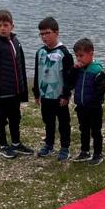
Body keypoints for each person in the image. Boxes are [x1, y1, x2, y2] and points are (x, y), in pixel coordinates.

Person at [0, 9, 32, 158]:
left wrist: (23, 90)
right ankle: (3, 146)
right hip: (1, 91)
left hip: (15, 90)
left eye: (5, 25)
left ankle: (16, 143)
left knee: (15, 117)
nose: (3, 28)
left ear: (12, 25)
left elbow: (21, 66)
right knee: (0, 118)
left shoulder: (16, 42)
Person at [33, 16, 75, 161]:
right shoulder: (40, 52)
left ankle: (65, 147)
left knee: (63, 123)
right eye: (42, 34)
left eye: (47, 33)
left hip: (59, 96)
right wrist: (36, 92)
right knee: (48, 122)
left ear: (56, 33)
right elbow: (37, 72)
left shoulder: (64, 53)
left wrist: (66, 94)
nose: (44, 37)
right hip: (45, 95)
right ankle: (49, 145)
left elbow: (70, 77)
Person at [70, 37, 105, 165]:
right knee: (83, 129)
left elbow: (100, 92)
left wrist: (93, 104)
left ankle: (98, 153)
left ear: (91, 54)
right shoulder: (78, 69)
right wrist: (74, 69)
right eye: (77, 56)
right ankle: (85, 151)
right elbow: (70, 83)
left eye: (81, 55)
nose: (79, 59)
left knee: (96, 131)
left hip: (94, 108)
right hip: (81, 106)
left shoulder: (98, 71)